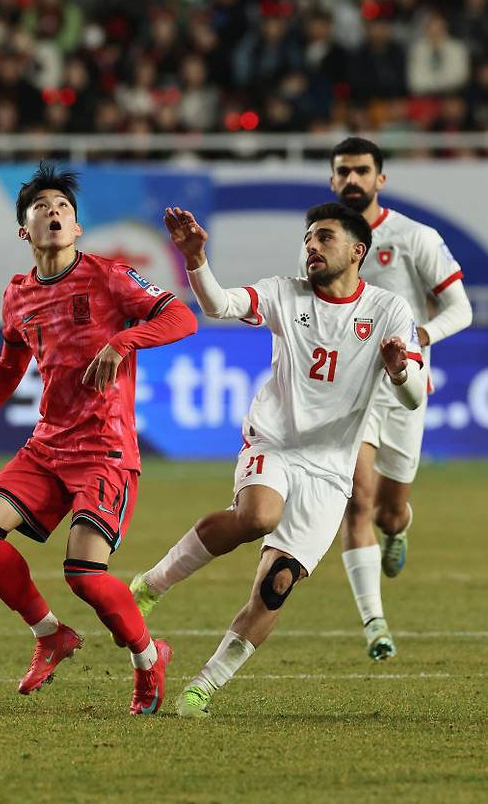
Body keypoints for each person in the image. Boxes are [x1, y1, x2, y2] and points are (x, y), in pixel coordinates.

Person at [130, 201, 425, 717]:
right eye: (308, 237)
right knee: (258, 515)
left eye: (325, 237)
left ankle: (203, 687)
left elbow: (415, 397)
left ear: (357, 251)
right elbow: (219, 305)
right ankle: (152, 584)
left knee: (275, 587)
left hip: (331, 471)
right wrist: (196, 261)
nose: (312, 245)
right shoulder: (283, 294)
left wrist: (400, 371)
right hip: (274, 444)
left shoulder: (388, 310)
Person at [0, 163, 197, 715]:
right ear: (24, 230)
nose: (53, 212)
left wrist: (124, 340)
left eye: (63, 208)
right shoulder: (18, 296)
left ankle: (150, 659)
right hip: (48, 445)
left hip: (105, 448)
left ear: (77, 228)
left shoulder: (108, 276)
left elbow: (181, 318)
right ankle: (50, 634)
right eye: (41, 207)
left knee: (83, 574)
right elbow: (8, 371)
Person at [325, 137, 472, 660]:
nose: (352, 181)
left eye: (361, 171)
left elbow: (461, 310)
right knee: (356, 502)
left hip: (404, 390)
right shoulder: (324, 239)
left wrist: (422, 338)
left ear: (380, 179)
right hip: (350, 397)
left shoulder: (414, 237)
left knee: (388, 511)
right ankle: (375, 623)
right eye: (343, 172)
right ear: (332, 179)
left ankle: (400, 525)